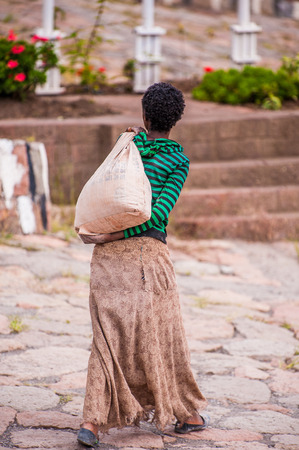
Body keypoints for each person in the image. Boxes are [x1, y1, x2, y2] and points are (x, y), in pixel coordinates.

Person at [77, 82, 208, 447]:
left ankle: (91, 423)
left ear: (144, 116)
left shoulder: (128, 147)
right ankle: (187, 413)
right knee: (161, 339)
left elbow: (104, 191)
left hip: (108, 261)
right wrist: (116, 238)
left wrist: (106, 237)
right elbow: (157, 215)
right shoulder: (178, 161)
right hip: (150, 260)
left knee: (107, 339)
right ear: (175, 121)